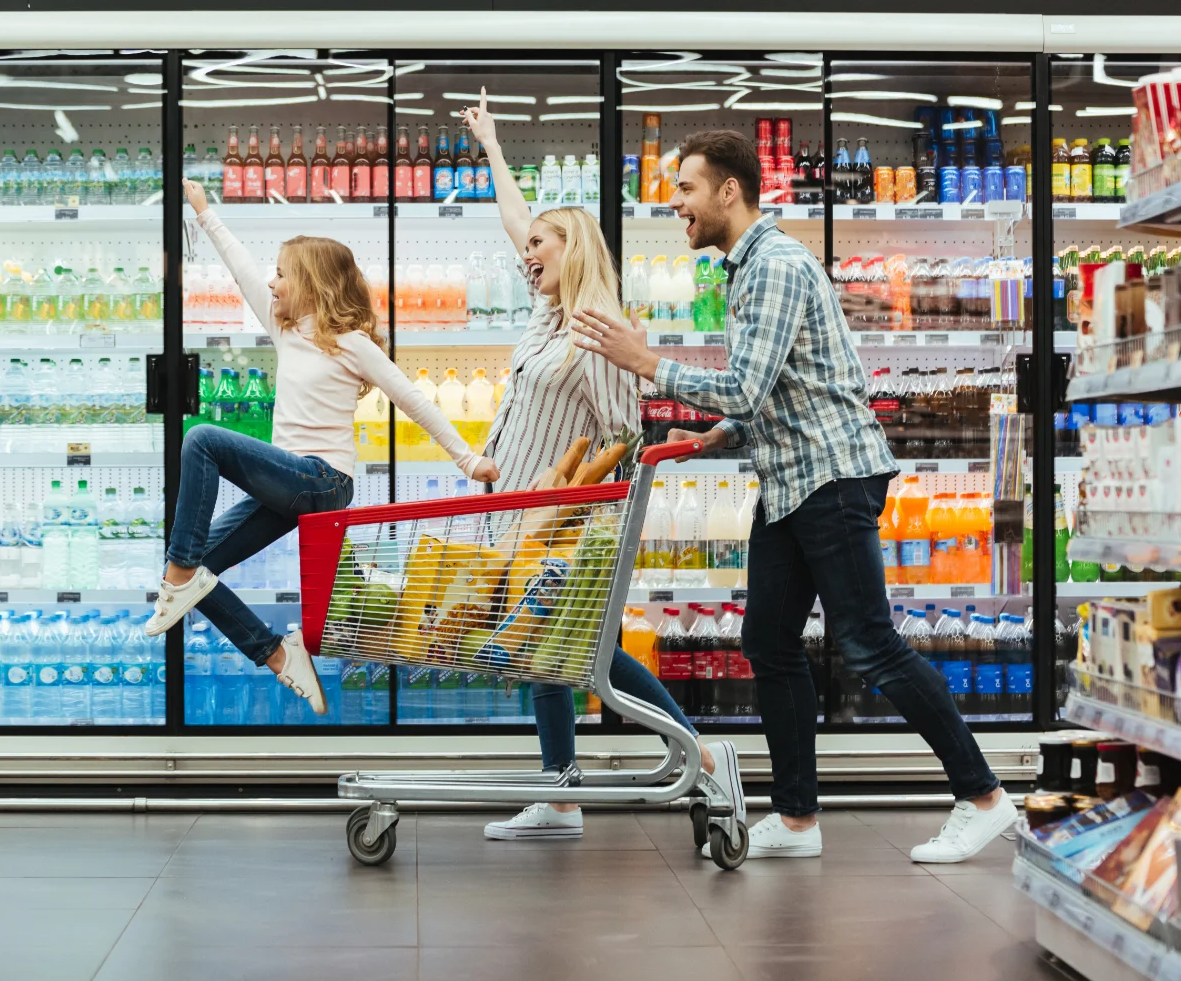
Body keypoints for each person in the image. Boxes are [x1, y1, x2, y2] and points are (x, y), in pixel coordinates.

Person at [569, 129, 1016, 863]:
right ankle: (797, 818)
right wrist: (729, 435)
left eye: (685, 189)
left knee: (869, 643)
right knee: (768, 641)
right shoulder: (744, 269)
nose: (673, 202)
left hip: (829, 476)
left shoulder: (772, 264)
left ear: (728, 191)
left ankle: (983, 795)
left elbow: (748, 383)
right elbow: (776, 393)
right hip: (790, 476)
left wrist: (646, 362)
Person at [460, 91, 744, 841]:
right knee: (559, 655)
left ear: (573, 251)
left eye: (539, 248)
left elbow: (622, 433)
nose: (525, 255)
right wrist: (492, 145)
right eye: (525, 249)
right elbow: (519, 223)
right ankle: (566, 794)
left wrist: (564, 503)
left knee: (582, 656)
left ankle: (692, 759)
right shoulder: (547, 314)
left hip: (563, 524)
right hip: (516, 510)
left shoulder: (598, 326)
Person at [147, 179, 499, 715]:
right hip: (285, 487)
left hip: (321, 481)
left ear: (311, 284)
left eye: (283, 274)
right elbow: (241, 267)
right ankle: (274, 653)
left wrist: (467, 458)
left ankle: (176, 574)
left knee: (201, 441)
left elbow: (413, 399)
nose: (271, 282)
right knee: (198, 571)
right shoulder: (284, 330)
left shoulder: (351, 344)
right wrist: (203, 211)